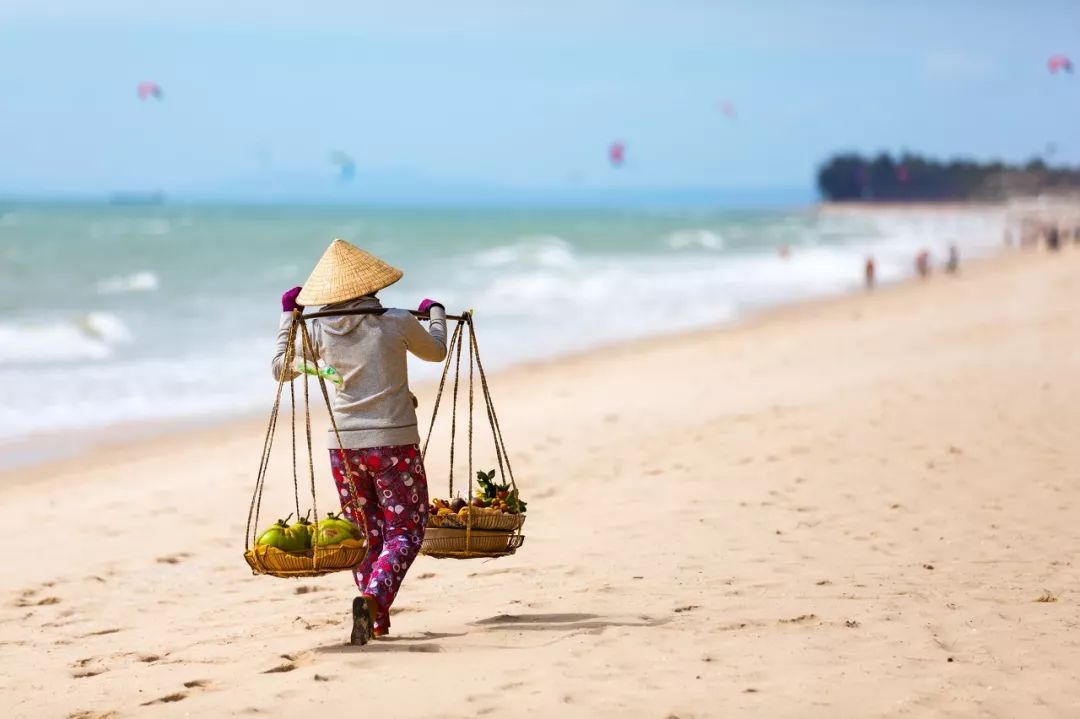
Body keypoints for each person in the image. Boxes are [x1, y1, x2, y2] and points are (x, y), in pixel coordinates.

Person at [272, 239, 447, 645]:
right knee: (405, 529)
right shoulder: (397, 321)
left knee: (365, 532)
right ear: (372, 286)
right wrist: (434, 313)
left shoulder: (315, 328)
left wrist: (288, 317)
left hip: (344, 450)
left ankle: (377, 618)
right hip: (394, 445)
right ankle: (372, 600)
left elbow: (281, 369)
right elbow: (437, 351)